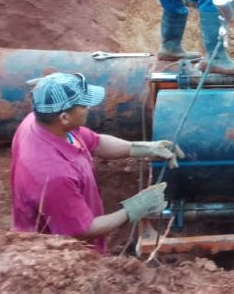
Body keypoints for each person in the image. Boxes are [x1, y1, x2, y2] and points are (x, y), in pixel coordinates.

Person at [10, 72, 180, 253]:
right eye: (84, 105)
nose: (89, 108)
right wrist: (133, 209)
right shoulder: (53, 176)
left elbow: (96, 142)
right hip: (61, 257)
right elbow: (82, 230)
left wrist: (145, 148)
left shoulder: (43, 122)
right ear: (64, 117)